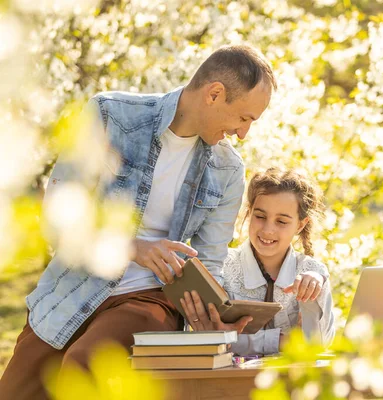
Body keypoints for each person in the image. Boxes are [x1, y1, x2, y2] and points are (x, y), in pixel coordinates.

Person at [0, 44, 276, 400]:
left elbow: (210, 263)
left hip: (151, 300)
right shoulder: (110, 116)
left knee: (84, 367)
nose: (243, 133)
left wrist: (211, 319)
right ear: (214, 93)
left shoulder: (227, 169)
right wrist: (132, 247)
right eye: (244, 118)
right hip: (74, 287)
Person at [180, 168, 336, 355]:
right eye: (260, 217)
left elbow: (317, 345)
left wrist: (312, 296)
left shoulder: (313, 271)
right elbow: (209, 336)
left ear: (300, 225)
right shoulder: (219, 266)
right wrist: (281, 342)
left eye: (282, 222)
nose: (268, 230)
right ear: (249, 212)